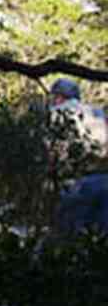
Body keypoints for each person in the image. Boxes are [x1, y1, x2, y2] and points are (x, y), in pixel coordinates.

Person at [46, 78, 108, 233]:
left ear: (58, 96)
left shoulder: (57, 113)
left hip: (76, 184)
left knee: (71, 235)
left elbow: (51, 151)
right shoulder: (97, 112)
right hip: (103, 178)